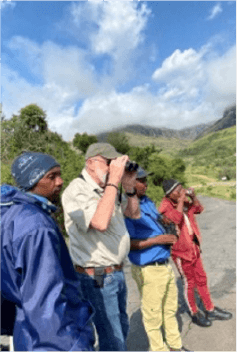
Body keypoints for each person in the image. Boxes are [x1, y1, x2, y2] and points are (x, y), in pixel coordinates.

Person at [0, 151, 95, 352]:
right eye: (51, 176)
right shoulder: (37, 226)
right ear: (32, 180)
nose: (60, 182)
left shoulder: (13, 215)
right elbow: (45, 301)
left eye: (59, 174)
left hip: (27, 329)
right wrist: (71, 346)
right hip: (52, 338)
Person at [62, 143, 140, 352]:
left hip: (116, 272)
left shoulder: (108, 189)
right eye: (108, 163)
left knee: (121, 328)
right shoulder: (76, 190)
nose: (112, 167)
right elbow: (100, 222)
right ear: (90, 163)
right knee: (111, 337)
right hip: (97, 276)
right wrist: (114, 181)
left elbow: (133, 214)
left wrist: (130, 187)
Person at [125, 167, 188, 352]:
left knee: (170, 310)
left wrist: (167, 225)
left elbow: (158, 219)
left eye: (146, 180)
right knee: (153, 316)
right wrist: (158, 240)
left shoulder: (147, 201)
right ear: (130, 183)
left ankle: (175, 346)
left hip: (164, 265)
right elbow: (127, 243)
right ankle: (158, 349)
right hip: (149, 268)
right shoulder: (127, 207)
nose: (145, 184)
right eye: (141, 181)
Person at [159, 179, 232, 327]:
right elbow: (176, 218)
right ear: (169, 194)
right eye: (177, 191)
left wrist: (193, 197)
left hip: (193, 248)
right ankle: (194, 312)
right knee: (189, 282)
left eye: (181, 189)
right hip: (180, 252)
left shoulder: (184, 202)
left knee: (201, 278)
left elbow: (199, 209)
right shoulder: (165, 206)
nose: (181, 193)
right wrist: (181, 200)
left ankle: (209, 308)